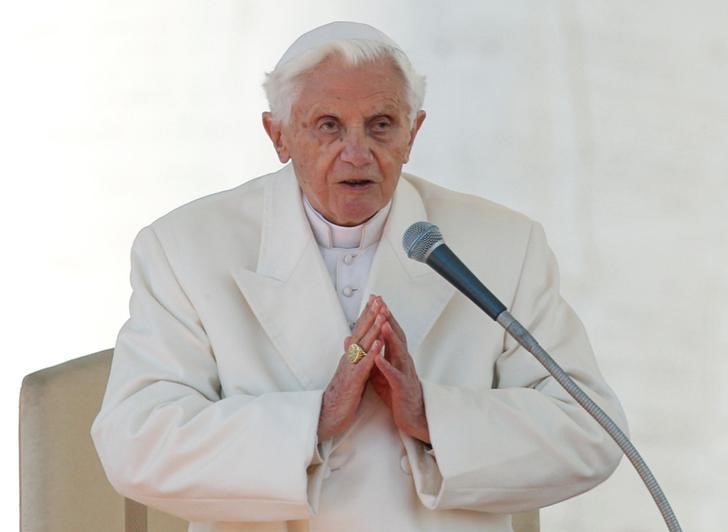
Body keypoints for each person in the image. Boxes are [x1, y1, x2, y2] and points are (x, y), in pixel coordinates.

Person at [92, 21, 627, 532]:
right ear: (277, 135)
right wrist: (315, 420)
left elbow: (592, 432)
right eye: (328, 126)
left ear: (413, 133)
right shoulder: (185, 247)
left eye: (381, 126)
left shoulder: (504, 245)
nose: (357, 153)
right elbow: (136, 443)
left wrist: (430, 417)